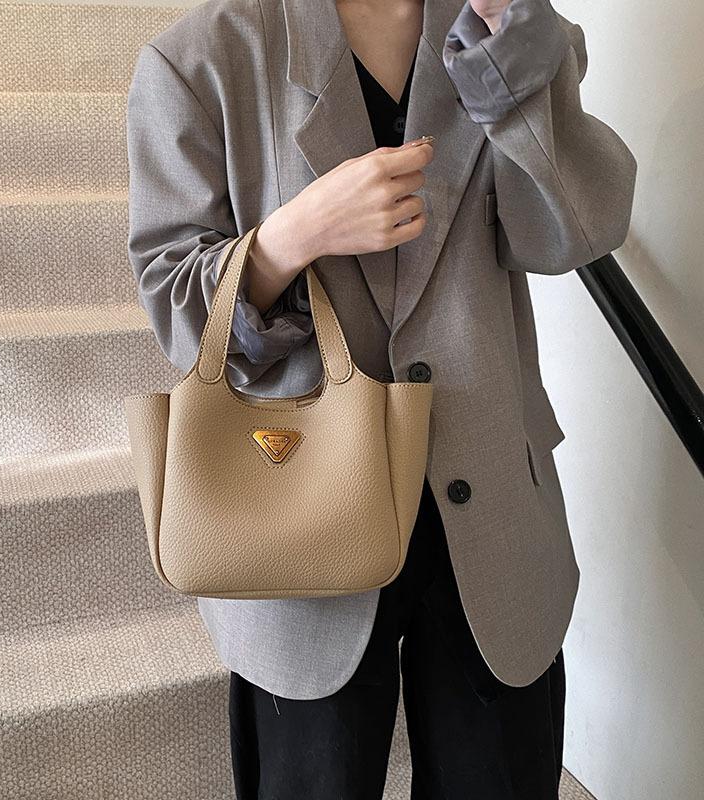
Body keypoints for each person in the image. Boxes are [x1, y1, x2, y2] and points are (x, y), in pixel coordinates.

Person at [125, 0, 638, 797]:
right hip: (297, 509)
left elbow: (577, 231)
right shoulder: (202, 57)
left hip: (490, 503)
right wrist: (296, 234)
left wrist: (511, 64)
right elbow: (179, 308)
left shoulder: (507, 33)